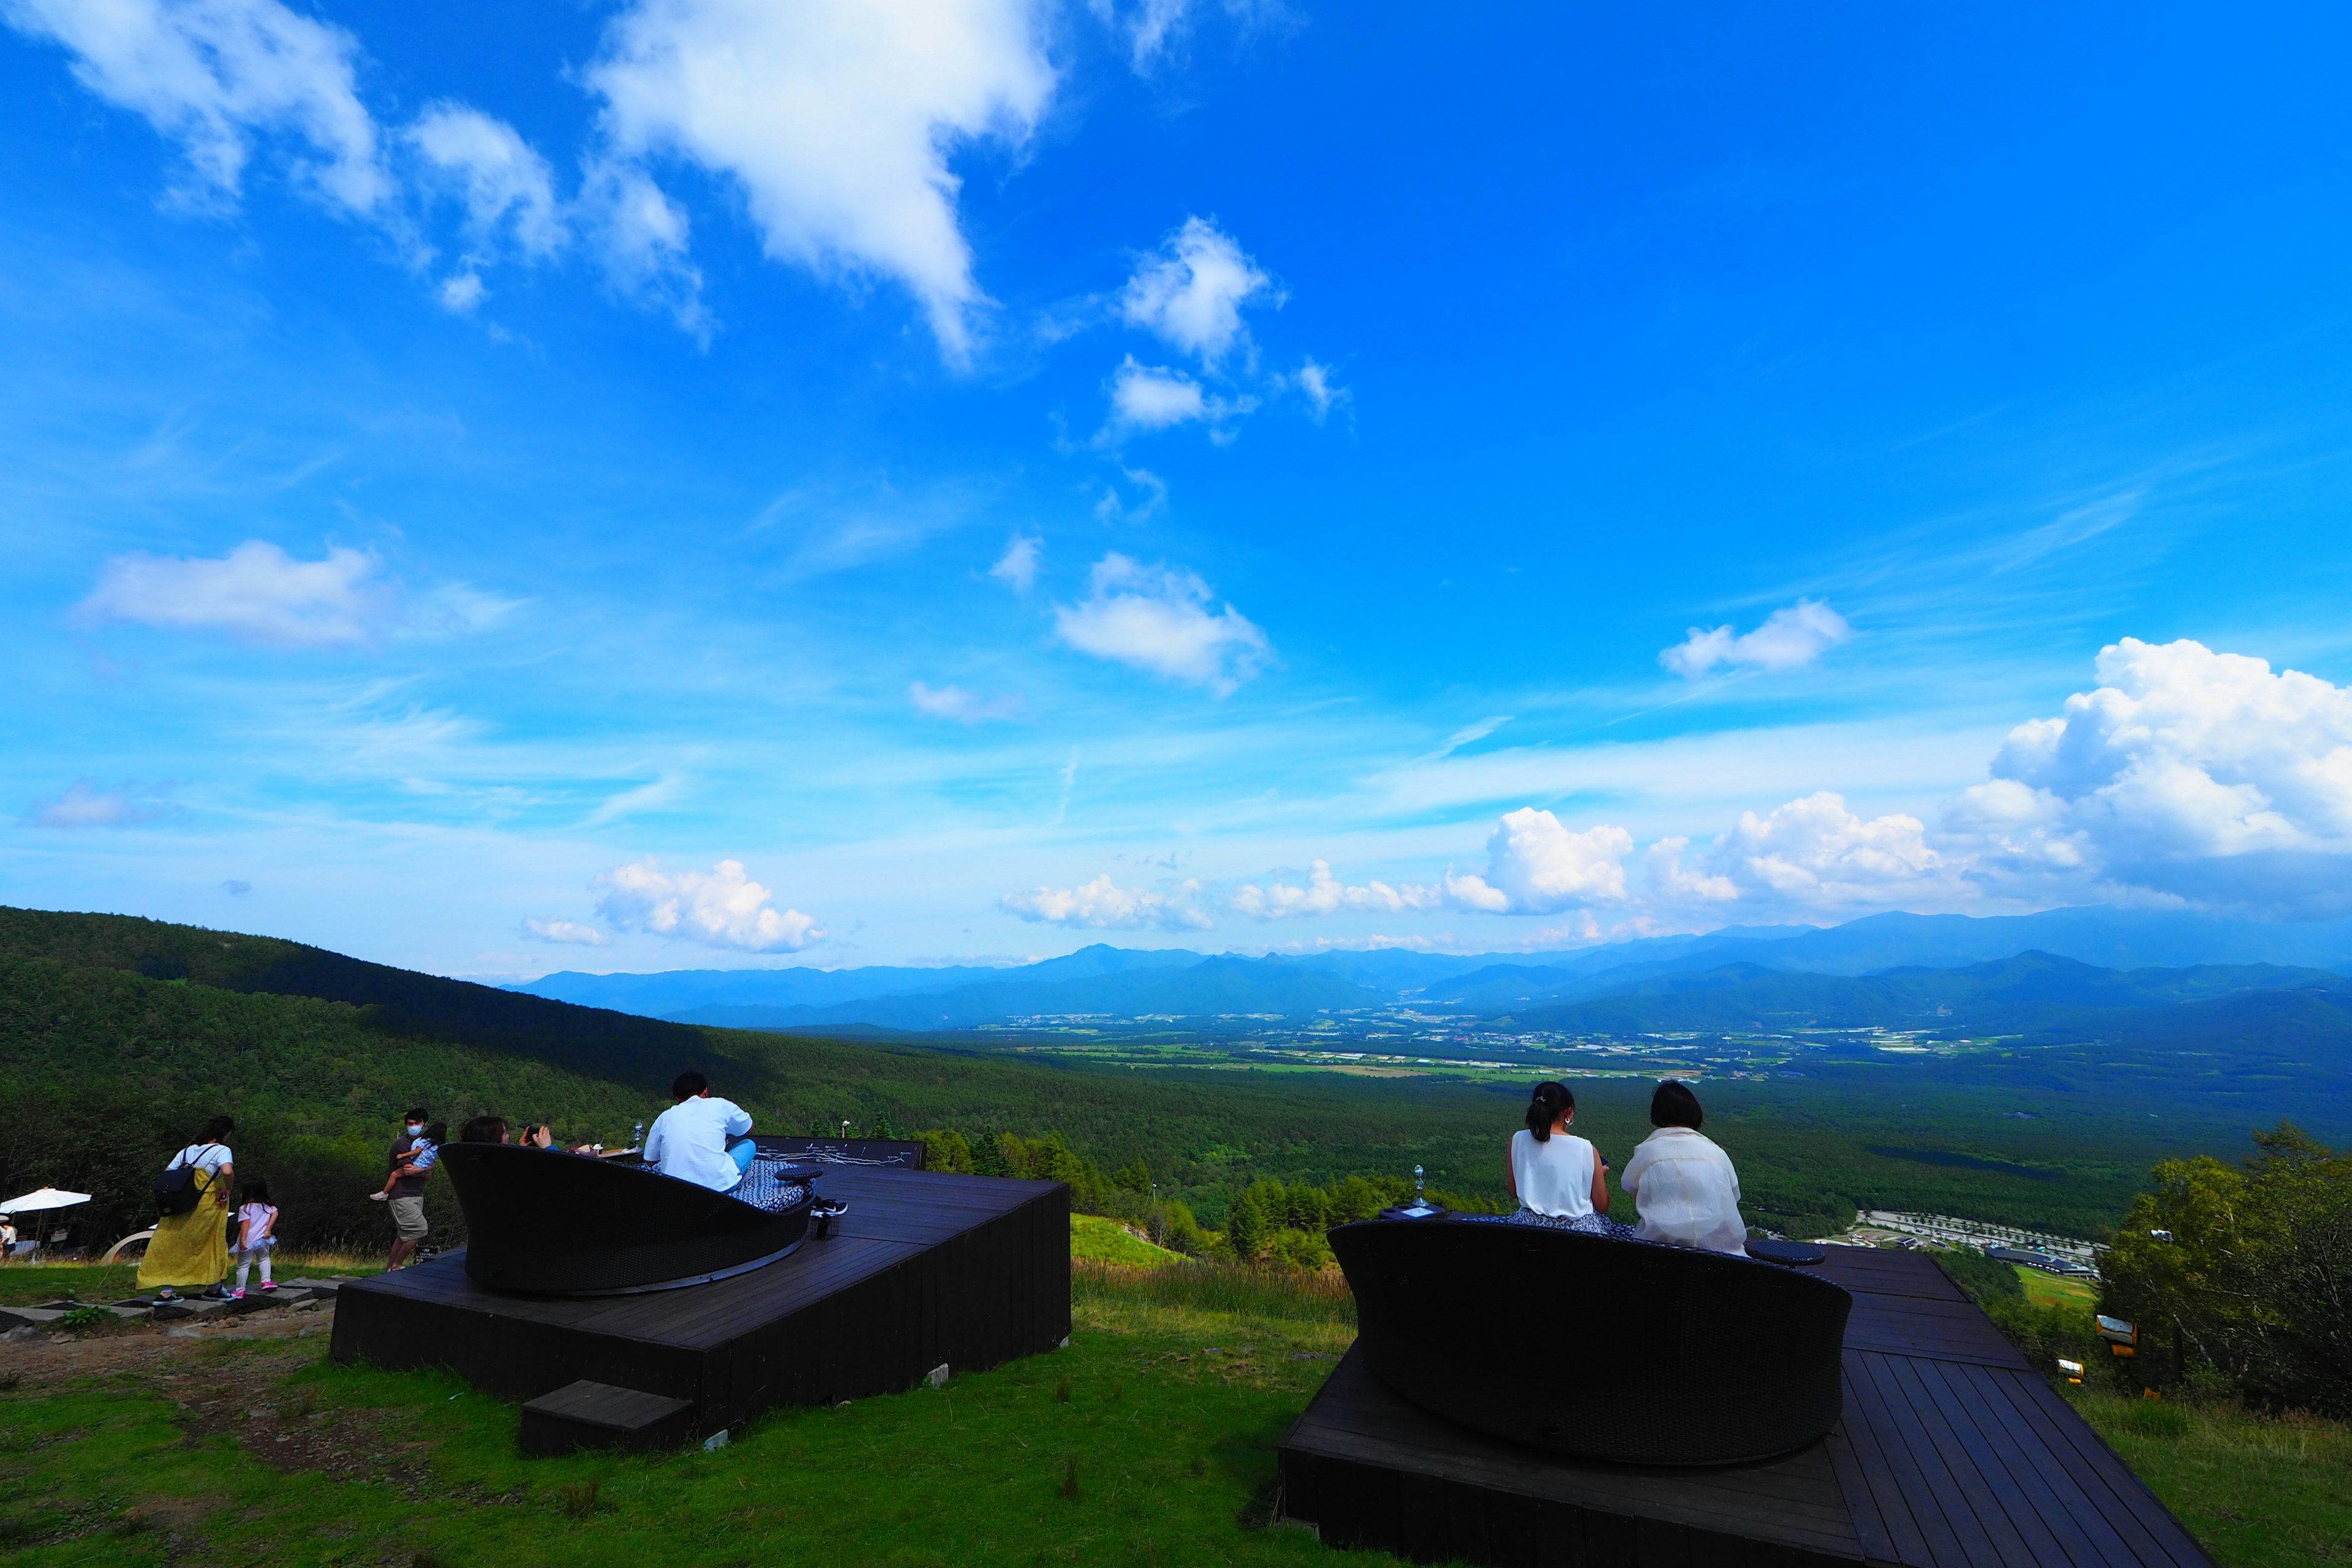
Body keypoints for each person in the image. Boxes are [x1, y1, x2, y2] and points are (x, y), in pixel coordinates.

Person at [1619, 1080, 1748, 1254]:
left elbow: (1634, 1191)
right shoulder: (1717, 1153)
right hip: (1728, 1256)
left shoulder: (1647, 1151)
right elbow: (1734, 1196)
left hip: (1659, 1251)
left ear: (1657, 1114)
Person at [1503, 1081, 1631, 1237]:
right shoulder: (1584, 1148)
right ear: (1568, 1113)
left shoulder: (1517, 1140)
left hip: (1527, 1228)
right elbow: (1603, 1205)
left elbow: (1513, 1191)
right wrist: (1595, 1178)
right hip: (1576, 1234)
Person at [138, 1116, 236, 1300]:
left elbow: (168, 1174)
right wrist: (227, 1188)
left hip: (179, 1206)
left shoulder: (186, 1152)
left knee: (173, 1244)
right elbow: (227, 1171)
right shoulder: (222, 1150)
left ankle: (166, 1291)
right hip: (206, 1206)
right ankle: (214, 1288)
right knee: (209, 1244)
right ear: (225, 1134)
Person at [643, 1071, 756, 1192]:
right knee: (749, 1145)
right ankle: (736, 1177)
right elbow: (749, 1128)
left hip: (676, 1192)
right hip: (720, 1187)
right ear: (706, 1091)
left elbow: (650, 1161)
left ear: (677, 1098)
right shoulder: (721, 1105)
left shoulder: (664, 1117)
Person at [383, 1107, 435, 1270]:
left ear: (425, 1123)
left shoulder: (426, 1144)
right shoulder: (403, 1145)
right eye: (409, 1123)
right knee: (419, 1231)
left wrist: (421, 1172)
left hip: (416, 1194)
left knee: (404, 1236)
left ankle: (388, 1272)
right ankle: (397, 1266)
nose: (412, 1126)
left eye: (416, 1123)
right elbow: (409, 1171)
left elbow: (425, 1175)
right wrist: (423, 1171)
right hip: (401, 1195)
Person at [371, 1121, 447, 1200]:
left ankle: (385, 1193)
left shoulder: (425, 1142)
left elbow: (417, 1151)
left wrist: (403, 1155)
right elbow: (434, 1162)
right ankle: (418, 1174)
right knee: (426, 1176)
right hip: (426, 1165)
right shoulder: (438, 1146)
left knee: (394, 1175)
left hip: (417, 1164)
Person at [230, 1179, 279, 1299]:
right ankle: (266, 1281)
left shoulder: (245, 1208)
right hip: (263, 1239)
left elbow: (245, 1225)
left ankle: (240, 1290)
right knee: (264, 1259)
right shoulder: (268, 1206)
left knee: (243, 1265)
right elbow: (276, 1213)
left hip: (248, 1240)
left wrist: (242, 1241)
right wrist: (268, 1229)